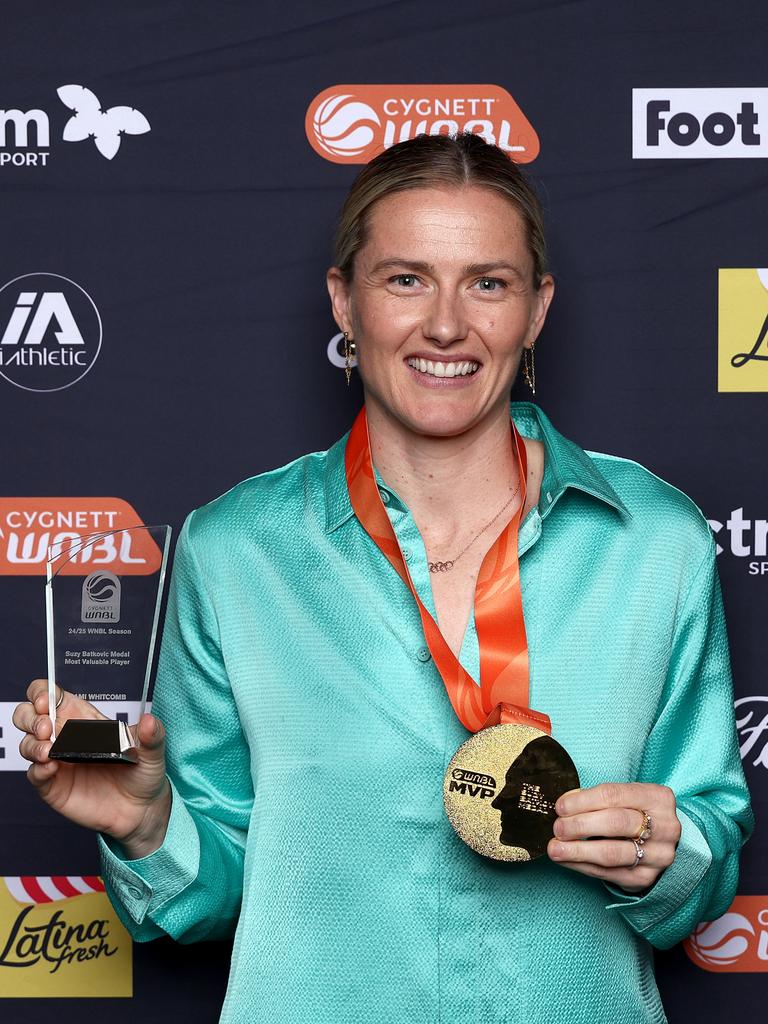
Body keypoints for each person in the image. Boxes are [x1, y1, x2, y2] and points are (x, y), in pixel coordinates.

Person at [14, 132, 753, 1024]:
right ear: (344, 301)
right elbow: (215, 894)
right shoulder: (236, 549)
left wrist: (671, 854)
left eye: (489, 281)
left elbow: (707, 834)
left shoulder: (654, 540)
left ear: (537, 309)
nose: (446, 324)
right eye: (406, 278)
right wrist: (144, 825)